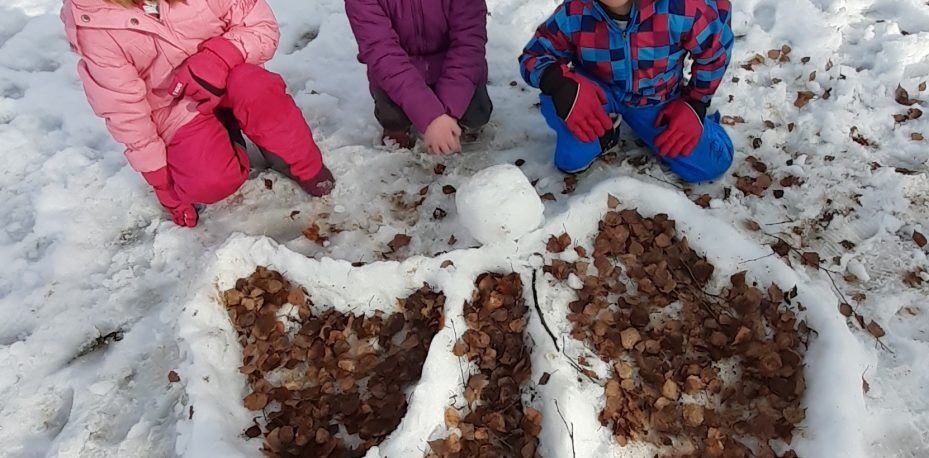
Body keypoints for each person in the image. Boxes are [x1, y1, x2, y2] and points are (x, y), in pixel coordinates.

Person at [61, 0, 335, 228]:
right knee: (208, 183)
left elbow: (260, 26)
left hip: (232, 75)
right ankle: (226, 132)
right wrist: (161, 181)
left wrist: (220, 56)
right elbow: (124, 109)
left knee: (256, 88)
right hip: (175, 107)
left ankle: (301, 164)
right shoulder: (94, 20)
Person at [519, 0, 735, 182]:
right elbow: (534, 55)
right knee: (571, 159)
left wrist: (695, 103)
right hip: (596, 95)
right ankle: (606, 133)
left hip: (655, 99)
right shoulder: (576, 10)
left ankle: (703, 125)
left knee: (713, 162)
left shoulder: (684, 7)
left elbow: (715, 50)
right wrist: (562, 87)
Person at [345, 0, 492, 155]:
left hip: (450, 64)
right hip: (399, 68)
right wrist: (430, 116)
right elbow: (382, 53)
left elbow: (468, 45)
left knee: (476, 113)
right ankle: (398, 127)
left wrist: (449, 112)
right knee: (392, 116)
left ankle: (456, 122)